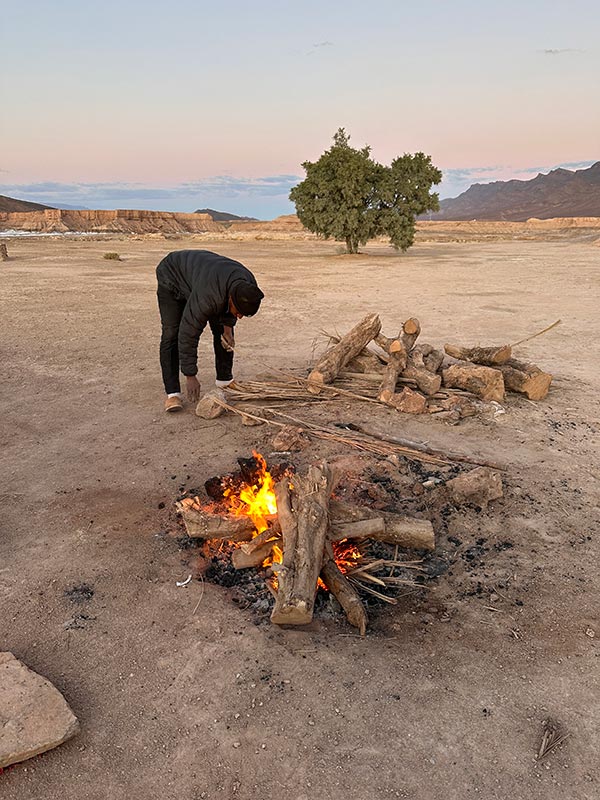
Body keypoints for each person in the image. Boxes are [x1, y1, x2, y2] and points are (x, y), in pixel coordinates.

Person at [156, 249, 264, 412]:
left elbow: (230, 311)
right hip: (172, 275)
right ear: (231, 299)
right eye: (238, 313)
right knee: (172, 334)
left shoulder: (247, 285)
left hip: (205, 277)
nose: (239, 317)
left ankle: (225, 380)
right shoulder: (208, 297)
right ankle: (173, 394)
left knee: (224, 335)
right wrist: (190, 375)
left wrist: (227, 329)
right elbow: (188, 334)